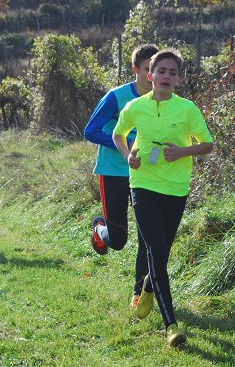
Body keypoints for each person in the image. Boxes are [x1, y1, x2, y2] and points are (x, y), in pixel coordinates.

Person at [113, 49, 213, 348]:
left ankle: (147, 287)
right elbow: (119, 134)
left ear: (178, 79)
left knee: (162, 252)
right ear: (150, 75)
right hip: (143, 185)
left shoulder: (187, 109)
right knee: (155, 248)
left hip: (176, 189)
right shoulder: (135, 107)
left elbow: (207, 144)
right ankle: (171, 325)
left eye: (173, 72)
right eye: (161, 71)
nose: (166, 76)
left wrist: (182, 151)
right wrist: (127, 156)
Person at [84, 44, 157, 311]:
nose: (152, 76)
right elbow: (90, 131)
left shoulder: (162, 100)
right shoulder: (116, 97)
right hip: (113, 171)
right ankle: (99, 227)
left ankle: (138, 293)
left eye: (155, 70)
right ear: (136, 69)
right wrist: (124, 143)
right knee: (118, 241)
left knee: (146, 236)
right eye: (147, 69)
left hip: (146, 174)